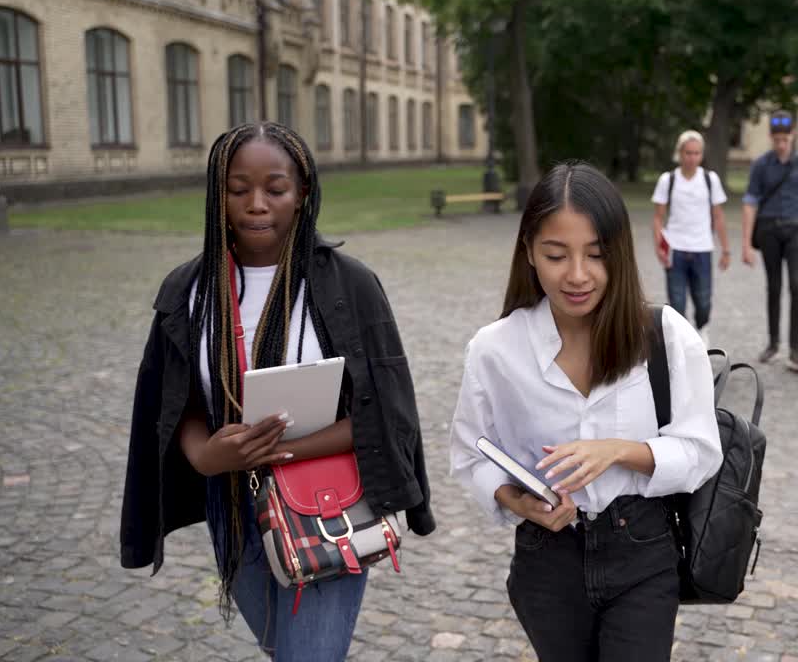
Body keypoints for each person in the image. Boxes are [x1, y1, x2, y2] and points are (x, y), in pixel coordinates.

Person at [121, 122, 435, 660]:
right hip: (234, 508)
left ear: (303, 192)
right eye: (238, 189)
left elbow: (387, 412)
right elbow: (177, 401)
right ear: (217, 195)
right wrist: (203, 454)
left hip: (327, 503)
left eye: (275, 188)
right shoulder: (188, 292)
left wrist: (276, 450)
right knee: (284, 648)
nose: (257, 204)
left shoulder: (349, 285)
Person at [450, 162, 723, 662]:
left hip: (642, 552)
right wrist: (517, 500)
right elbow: (471, 455)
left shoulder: (665, 335)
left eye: (596, 256)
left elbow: (702, 452)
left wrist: (620, 451)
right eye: (556, 255)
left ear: (619, 255)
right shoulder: (495, 349)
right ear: (529, 251)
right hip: (546, 560)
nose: (577, 275)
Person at [740, 110, 798, 374]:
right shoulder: (761, 165)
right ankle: (773, 343)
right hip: (769, 231)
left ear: (792, 136)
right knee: (773, 287)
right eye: (777, 139)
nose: (781, 144)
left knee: (797, 286)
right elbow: (750, 203)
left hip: (795, 231)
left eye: (785, 139)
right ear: (772, 137)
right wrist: (746, 243)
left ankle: (795, 350)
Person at [651, 130, 730, 345]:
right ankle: (683, 342)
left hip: (702, 249)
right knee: (677, 302)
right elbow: (658, 218)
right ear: (680, 153)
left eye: (696, 153)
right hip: (675, 250)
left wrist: (726, 249)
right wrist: (659, 246)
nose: (692, 157)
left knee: (703, 300)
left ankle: (702, 329)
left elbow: (718, 216)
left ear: (701, 155)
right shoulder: (668, 180)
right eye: (688, 153)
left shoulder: (709, 180)